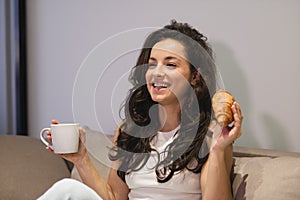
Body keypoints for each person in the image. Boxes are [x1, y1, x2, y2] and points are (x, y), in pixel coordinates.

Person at [38, 20, 243, 200]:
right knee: (68, 190)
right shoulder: (129, 131)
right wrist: (81, 159)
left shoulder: (210, 135)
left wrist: (217, 150)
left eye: (170, 64)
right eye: (152, 64)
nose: (157, 73)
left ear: (195, 76)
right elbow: (114, 198)